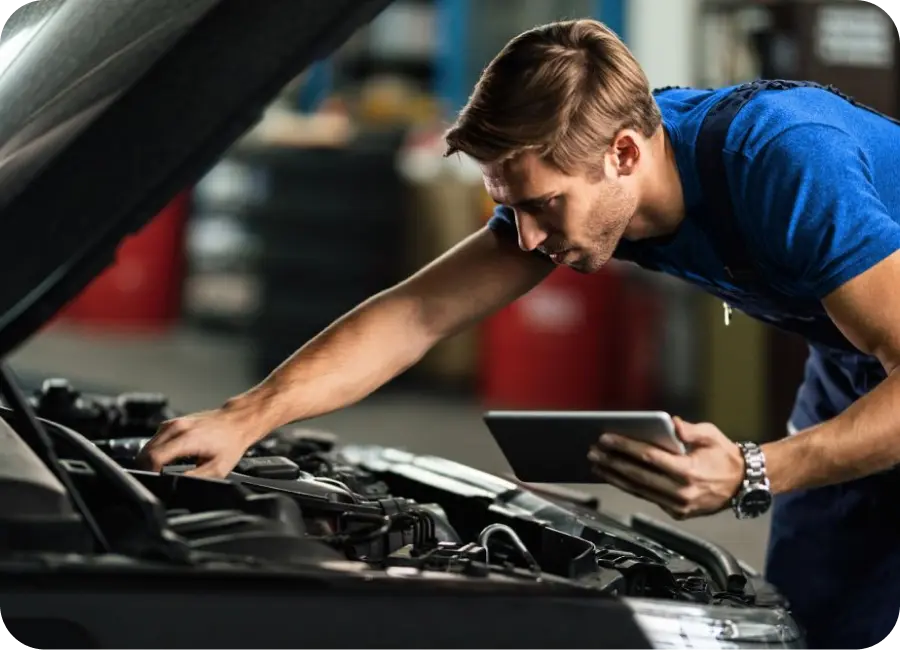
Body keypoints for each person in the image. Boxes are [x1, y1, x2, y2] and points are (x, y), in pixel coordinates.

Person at [138, 18, 900, 650]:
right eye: (511, 205)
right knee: (811, 624)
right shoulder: (596, 176)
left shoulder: (785, 164)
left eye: (544, 205)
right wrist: (248, 416)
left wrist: (754, 471)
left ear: (624, 154)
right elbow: (417, 313)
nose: (528, 239)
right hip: (852, 360)